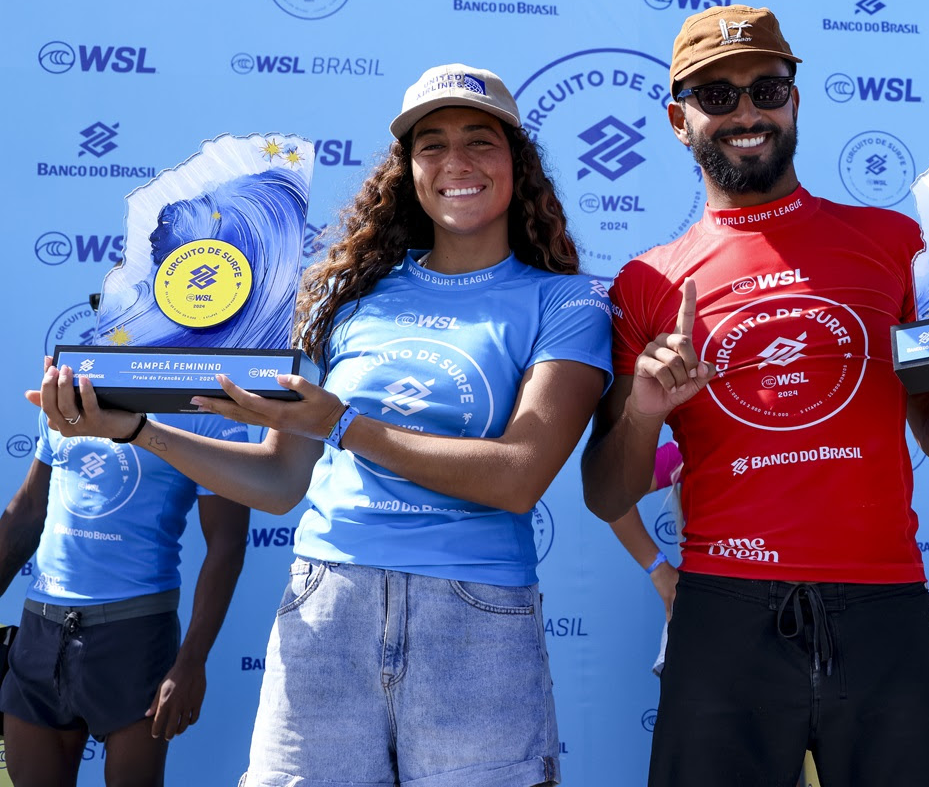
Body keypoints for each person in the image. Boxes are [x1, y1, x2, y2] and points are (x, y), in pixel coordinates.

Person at [33, 63, 612, 787]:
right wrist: (136, 430)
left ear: (518, 164)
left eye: (480, 141)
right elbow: (278, 483)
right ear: (406, 169)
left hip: (475, 617)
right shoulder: (350, 296)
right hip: (325, 602)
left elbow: (520, 476)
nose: (455, 163)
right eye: (430, 145)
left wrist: (344, 424)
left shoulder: (570, 302)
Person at [580, 5, 929, 787]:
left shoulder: (896, 245)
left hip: (883, 604)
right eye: (717, 97)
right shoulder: (649, 282)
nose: (747, 113)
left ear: (796, 99)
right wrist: (647, 410)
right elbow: (606, 490)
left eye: (767, 88)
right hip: (725, 612)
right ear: (677, 119)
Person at [0, 398, 249, 787]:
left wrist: (192, 661)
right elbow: (30, 508)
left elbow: (227, 542)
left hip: (135, 635)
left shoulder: (201, 411)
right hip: (40, 630)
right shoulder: (68, 395)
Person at [606, 441, 681, 675]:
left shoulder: (795, 438)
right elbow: (611, 491)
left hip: (788, 612)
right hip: (706, 609)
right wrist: (657, 567)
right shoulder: (693, 443)